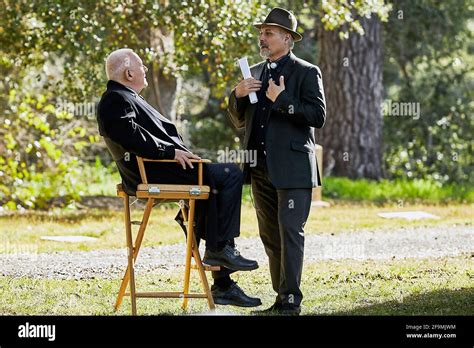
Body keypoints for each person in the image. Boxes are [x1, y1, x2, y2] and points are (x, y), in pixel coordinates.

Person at [97, 48, 261, 307]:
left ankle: (223, 283)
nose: (145, 70)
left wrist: (177, 152)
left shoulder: (125, 96)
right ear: (128, 73)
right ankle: (220, 252)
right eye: (141, 66)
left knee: (214, 188)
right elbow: (127, 135)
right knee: (230, 174)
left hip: (163, 169)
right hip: (153, 172)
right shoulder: (115, 99)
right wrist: (169, 151)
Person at [228, 7, 326, 315]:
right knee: (269, 235)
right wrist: (237, 94)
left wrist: (281, 100)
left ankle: (291, 300)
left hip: (294, 169)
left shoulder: (307, 72)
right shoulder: (254, 72)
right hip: (259, 169)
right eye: (261, 33)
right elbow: (240, 121)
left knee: (290, 232)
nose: (262, 38)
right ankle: (279, 298)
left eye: (269, 33)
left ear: (287, 37)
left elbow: (317, 116)